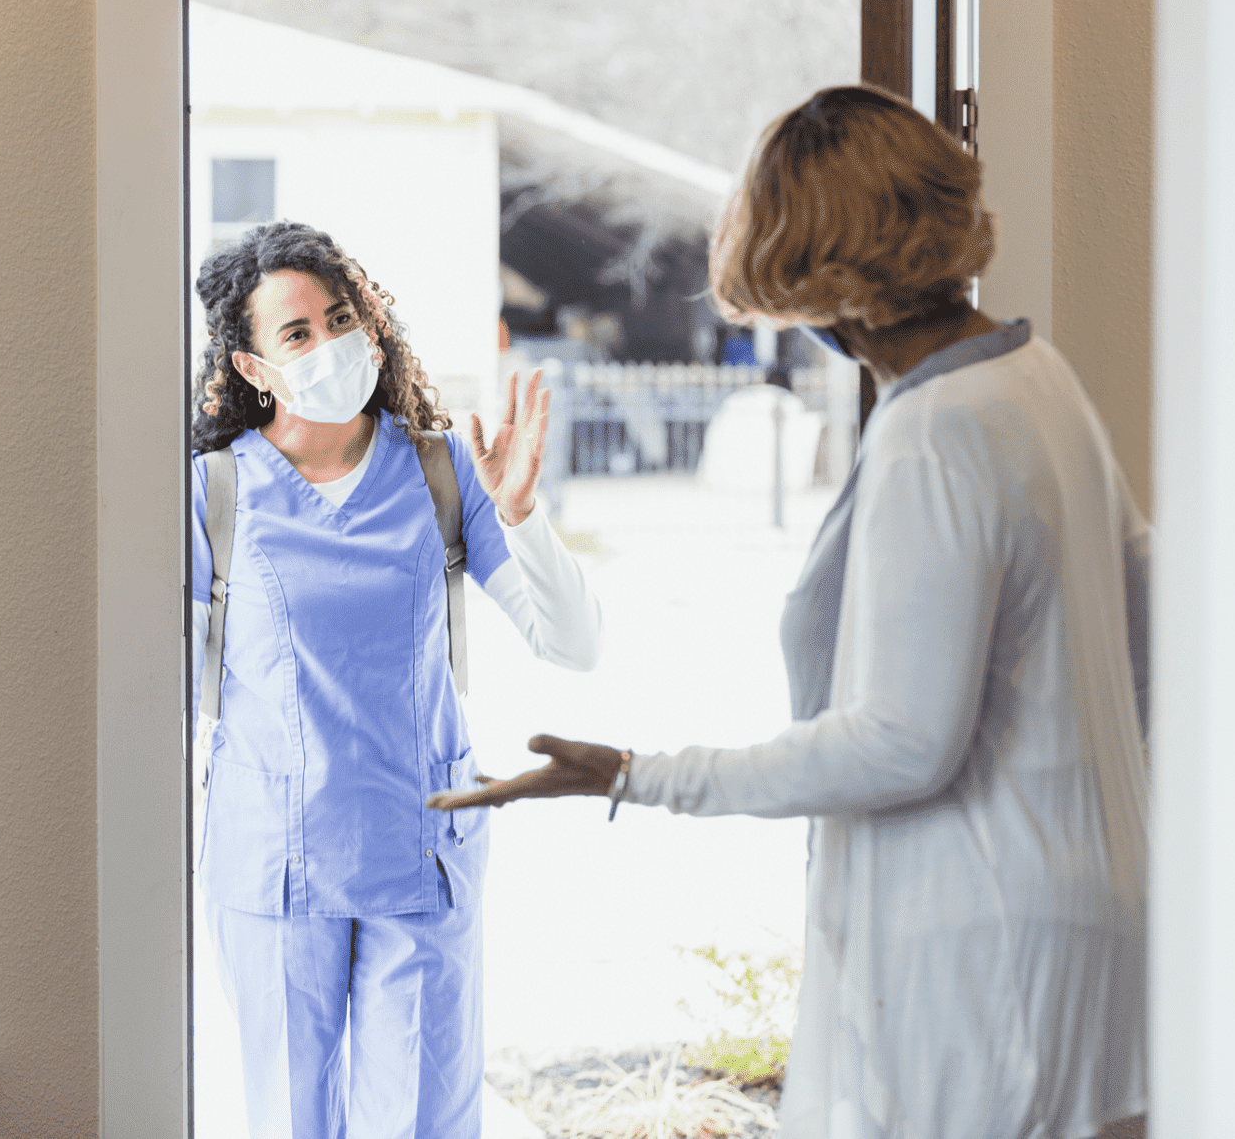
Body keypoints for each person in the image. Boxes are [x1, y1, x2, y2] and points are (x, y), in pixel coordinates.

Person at [433, 86, 1151, 1139]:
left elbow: (902, 745)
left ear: (820, 275)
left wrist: (632, 773)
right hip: (1084, 929)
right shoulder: (1037, 380)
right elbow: (1146, 647)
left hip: (979, 953)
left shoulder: (933, 432)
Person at [192, 220, 602, 1139]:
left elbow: (574, 645)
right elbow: (169, 690)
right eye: (297, 334)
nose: (331, 345)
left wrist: (523, 516)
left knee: (417, 1122)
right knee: (291, 1121)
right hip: (272, 864)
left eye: (341, 318)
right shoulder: (214, 495)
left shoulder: (445, 472)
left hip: (420, 858)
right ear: (254, 368)